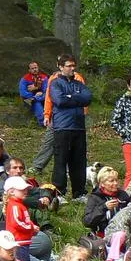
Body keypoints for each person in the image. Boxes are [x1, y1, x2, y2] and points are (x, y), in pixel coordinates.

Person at [47, 55, 93, 199]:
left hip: (79, 127)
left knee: (79, 161)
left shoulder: (79, 83)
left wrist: (70, 97)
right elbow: (59, 100)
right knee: (61, 160)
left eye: (73, 66)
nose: (72, 68)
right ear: (60, 67)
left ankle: (79, 192)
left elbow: (88, 98)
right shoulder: (55, 83)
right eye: (69, 66)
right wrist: (75, 98)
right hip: (62, 127)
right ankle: (59, 193)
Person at [83, 167, 129, 238]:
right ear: (102, 183)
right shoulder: (95, 197)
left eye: (116, 180)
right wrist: (104, 207)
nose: (115, 183)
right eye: (111, 181)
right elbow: (87, 221)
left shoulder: (123, 195)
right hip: (102, 235)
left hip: (124, 233)